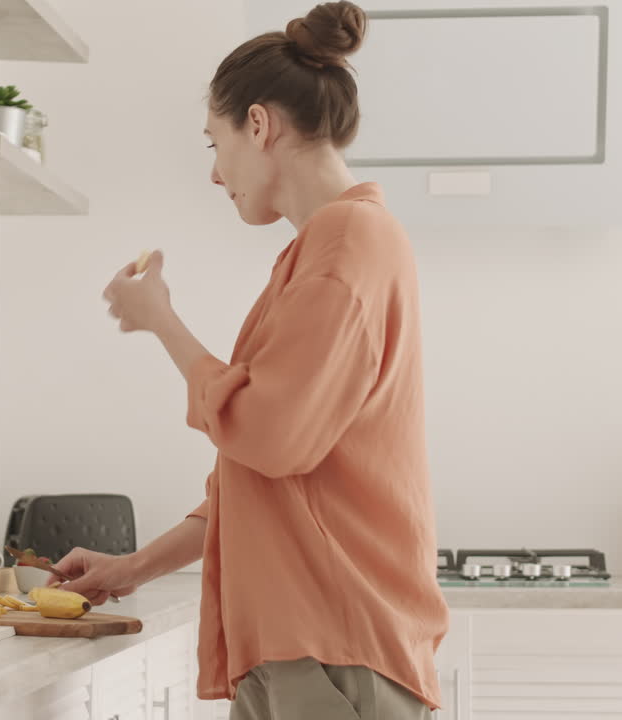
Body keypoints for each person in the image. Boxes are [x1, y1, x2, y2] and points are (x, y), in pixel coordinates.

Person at [53, 2, 448, 717]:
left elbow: (267, 436)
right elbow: (258, 480)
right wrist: (133, 567)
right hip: (314, 648)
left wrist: (161, 320)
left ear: (259, 125)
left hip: (331, 650)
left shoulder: (346, 247)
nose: (213, 173)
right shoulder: (327, 248)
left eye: (214, 141)